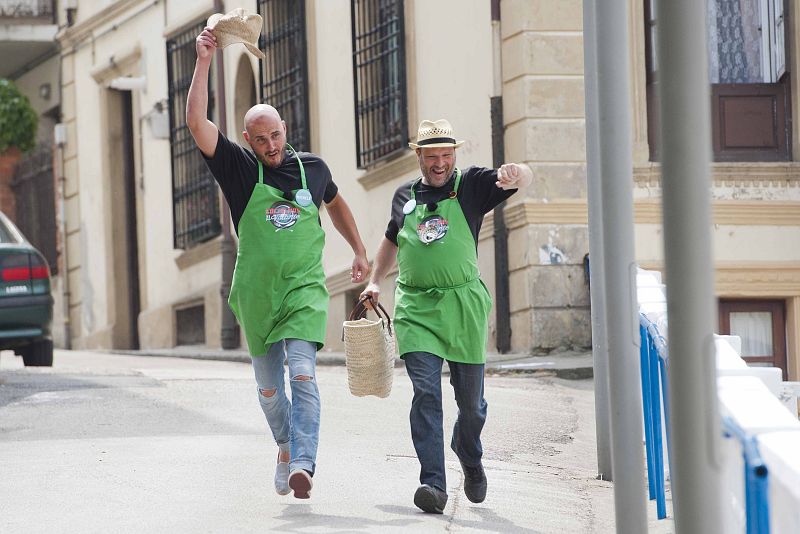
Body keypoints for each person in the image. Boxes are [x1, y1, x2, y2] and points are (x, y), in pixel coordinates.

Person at [187, 26, 370, 500]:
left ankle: (305, 463)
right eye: (261, 139)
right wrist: (205, 59)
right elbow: (196, 122)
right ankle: (286, 446)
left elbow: (337, 204)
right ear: (247, 139)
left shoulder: (314, 168)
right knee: (270, 394)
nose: (270, 145)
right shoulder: (240, 170)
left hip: (303, 291)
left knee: (304, 373)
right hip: (256, 296)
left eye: (276, 135)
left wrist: (358, 250)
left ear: (285, 130)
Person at [361, 119, 532, 513]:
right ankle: (433, 484)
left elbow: (526, 177)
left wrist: (515, 171)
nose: (440, 163)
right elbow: (391, 239)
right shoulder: (404, 196)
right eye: (432, 156)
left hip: (463, 306)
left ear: (454, 155)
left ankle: (468, 454)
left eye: (446, 155)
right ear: (418, 156)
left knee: (472, 407)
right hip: (416, 307)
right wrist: (374, 281)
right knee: (426, 391)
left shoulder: (471, 185)